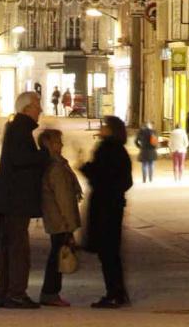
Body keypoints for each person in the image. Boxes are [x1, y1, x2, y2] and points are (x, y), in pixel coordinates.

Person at [0, 91, 49, 310]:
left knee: (9, 247)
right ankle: (15, 293)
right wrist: (45, 155)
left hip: (10, 200)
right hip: (16, 200)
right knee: (18, 248)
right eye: (37, 105)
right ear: (26, 109)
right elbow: (22, 159)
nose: (40, 109)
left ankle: (5, 293)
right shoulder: (21, 129)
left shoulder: (15, 127)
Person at [81, 116, 133, 309]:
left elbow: (98, 175)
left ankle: (114, 293)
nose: (101, 129)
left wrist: (85, 167)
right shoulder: (120, 150)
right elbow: (126, 181)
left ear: (111, 130)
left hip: (105, 207)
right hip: (114, 205)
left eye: (104, 126)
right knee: (112, 252)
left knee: (107, 252)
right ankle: (118, 292)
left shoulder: (106, 150)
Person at [38, 129, 82, 308]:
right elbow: (63, 198)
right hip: (59, 220)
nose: (61, 145)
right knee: (58, 256)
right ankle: (50, 293)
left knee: (57, 255)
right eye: (57, 142)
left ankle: (50, 292)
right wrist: (69, 224)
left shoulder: (56, 164)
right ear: (49, 144)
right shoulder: (56, 167)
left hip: (57, 218)